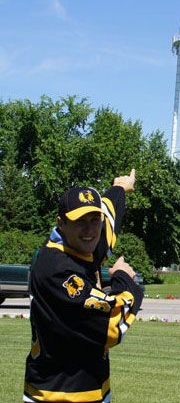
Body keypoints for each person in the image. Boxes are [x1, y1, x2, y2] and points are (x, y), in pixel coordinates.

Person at [23, 169, 143, 403]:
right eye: (80, 221)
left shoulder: (84, 244)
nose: (89, 230)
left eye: (93, 220)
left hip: (91, 387)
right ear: (62, 224)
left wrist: (120, 187)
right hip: (58, 394)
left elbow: (109, 216)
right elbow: (112, 323)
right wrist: (122, 278)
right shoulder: (58, 270)